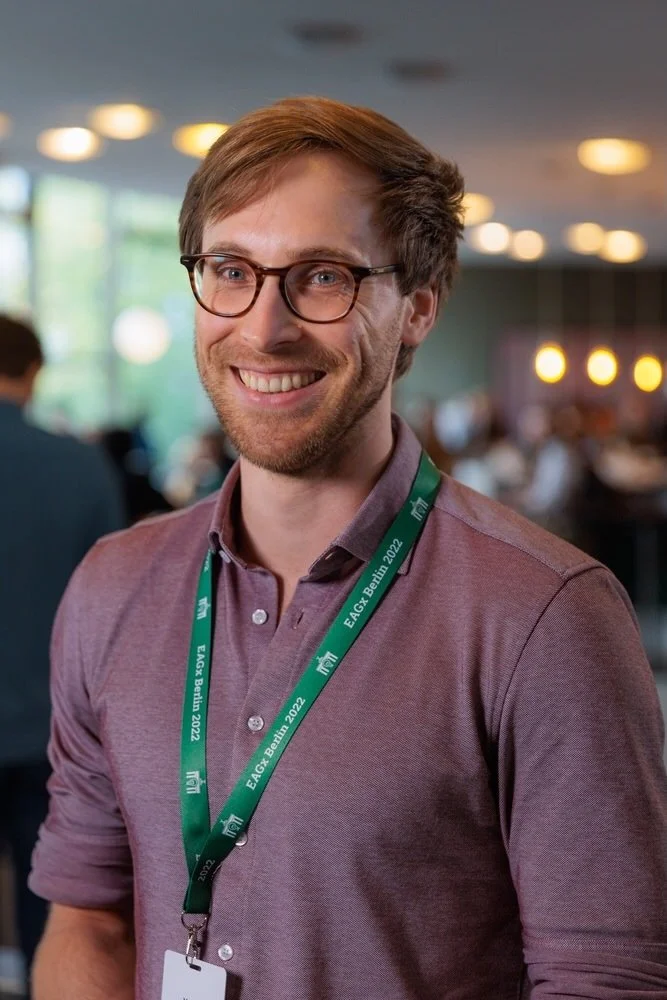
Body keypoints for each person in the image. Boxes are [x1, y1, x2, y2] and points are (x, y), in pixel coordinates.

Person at [29, 97, 667, 1000]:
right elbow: (87, 917)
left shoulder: (544, 616)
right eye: (230, 269)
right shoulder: (112, 588)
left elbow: (605, 981)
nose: (263, 327)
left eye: (322, 276)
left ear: (416, 307)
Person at [0, 315, 124, 990]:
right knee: (56, 906)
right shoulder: (79, 465)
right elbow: (118, 602)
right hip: (56, 728)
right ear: (34, 373)